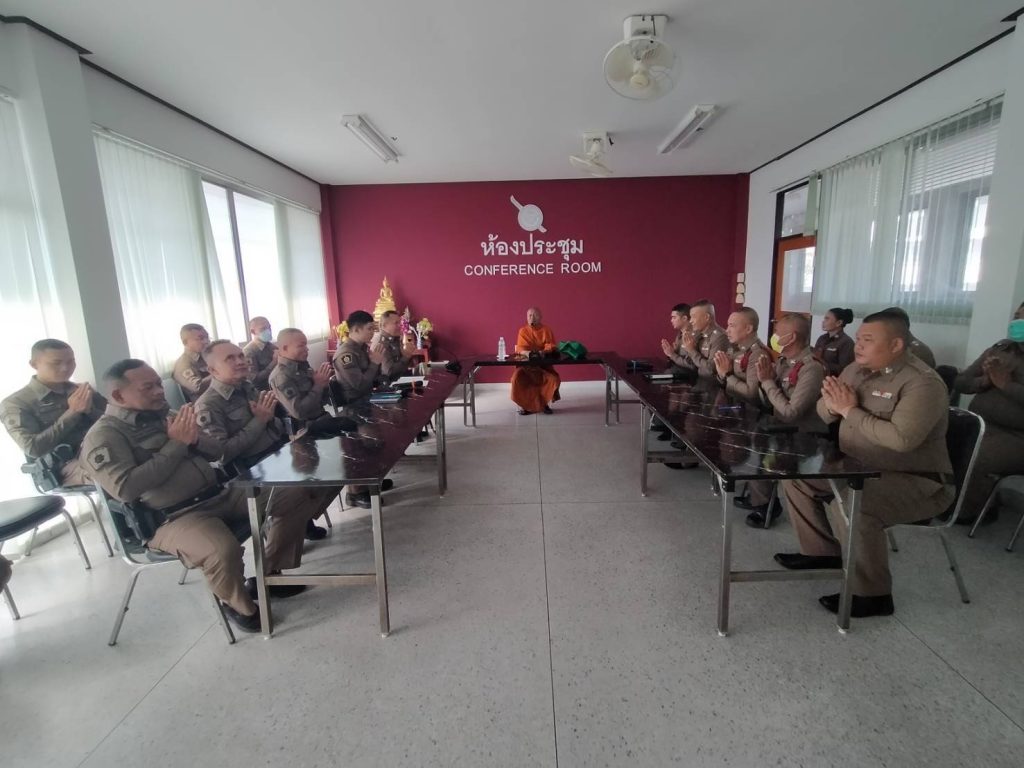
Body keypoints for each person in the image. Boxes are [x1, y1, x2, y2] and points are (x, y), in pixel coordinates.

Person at [82, 359, 288, 633]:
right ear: (119, 396)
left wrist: (194, 439)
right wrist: (176, 444)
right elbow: (126, 489)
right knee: (221, 549)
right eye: (148, 387)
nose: (159, 391)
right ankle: (240, 607)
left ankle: (271, 572)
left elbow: (219, 452)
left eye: (158, 384)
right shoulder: (104, 436)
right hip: (174, 517)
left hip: (219, 496)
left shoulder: (168, 414)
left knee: (294, 493)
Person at [777, 310, 954, 618]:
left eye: (868, 340)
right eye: (858, 338)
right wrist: (834, 407)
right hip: (856, 466)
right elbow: (822, 410)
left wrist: (850, 410)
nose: (858, 345)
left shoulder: (921, 383)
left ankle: (873, 594)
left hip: (917, 480)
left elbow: (901, 440)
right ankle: (822, 553)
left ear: (896, 344)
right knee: (796, 476)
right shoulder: (855, 370)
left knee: (855, 501)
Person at [197, 340, 335, 543]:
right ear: (212, 370)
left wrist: (279, 428)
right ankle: (279, 547)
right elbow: (222, 454)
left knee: (332, 466)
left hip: (277, 452)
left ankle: (300, 519)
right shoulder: (208, 405)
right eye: (230, 359)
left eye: (240, 356)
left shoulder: (247, 388)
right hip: (250, 469)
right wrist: (259, 421)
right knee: (298, 491)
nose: (240, 361)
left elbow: (274, 421)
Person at [737, 314, 826, 527]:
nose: (774, 337)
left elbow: (791, 412)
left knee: (762, 452)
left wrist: (767, 382)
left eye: (778, 333)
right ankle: (759, 497)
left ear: (792, 337)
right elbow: (769, 400)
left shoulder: (811, 368)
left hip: (804, 436)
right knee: (748, 439)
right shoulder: (784, 362)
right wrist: (763, 383)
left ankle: (766, 505)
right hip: (780, 428)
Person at [1, 339, 107, 486]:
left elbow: (116, 422)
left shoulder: (81, 391)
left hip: (103, 451)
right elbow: (33, 448)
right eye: (56, 363)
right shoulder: (16, 403)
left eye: (71, 362)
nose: (65, 368)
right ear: (34, 364)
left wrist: (90, 410)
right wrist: (72, 412)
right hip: (64, 465)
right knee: (111, 474)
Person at [953, 312, 1024, 525]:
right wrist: (984, 381)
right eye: (1018, 316)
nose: (1019, 321)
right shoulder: (1000, 349)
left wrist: (1006, 384)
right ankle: (944, 498)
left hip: (1016, 435)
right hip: (978, 422)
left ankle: (971, 511)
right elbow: (961, 382)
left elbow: (1004, 384)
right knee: (940, 434)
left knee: (978, 454)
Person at [511, 307, 560, 415]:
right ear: (526, 317)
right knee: (516, 378)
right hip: (526, 366)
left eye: (535, 315)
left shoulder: (546, 330)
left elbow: (550, 345)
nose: (532, 318)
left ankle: (544, 404)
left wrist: (544, 352)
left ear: (540, 317)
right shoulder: (523, 331)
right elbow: (521, 349)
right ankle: (525, 406)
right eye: (529, 315)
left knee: (553, 379)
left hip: (543, 366)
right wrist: (529, 353)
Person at [713, 307, 769, 403]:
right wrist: (721, 373)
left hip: (747, 409)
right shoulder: (735, 348)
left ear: (748, 329)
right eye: (728, 325)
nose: (727, 330)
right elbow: (724, 382)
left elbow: (752, 395)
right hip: (730, 401)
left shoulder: (757, 353)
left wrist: (727, 375)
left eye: (732, 326)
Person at [333, 310, 385, 402]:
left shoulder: (362, 348)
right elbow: (361, 385)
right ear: (356, 329)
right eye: (369, 329)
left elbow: (375, 377)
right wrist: (374, 363)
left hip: (369, 396)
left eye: (373, 329)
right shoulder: (346, 354)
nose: (373, 332)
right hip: (356, 403)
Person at [678, 299, 729, 380]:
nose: (690, 321)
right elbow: (690, 363)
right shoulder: (698, 334)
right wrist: (688, 348)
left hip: (712, 384)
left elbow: (711, 369)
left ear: (706, 317)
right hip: (699, 380)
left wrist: (691, 350)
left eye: (693, 317)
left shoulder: (720, 337)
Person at [173, 323, 212, 401]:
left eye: (207, 337)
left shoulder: (208, 356)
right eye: (200, 338)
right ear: (185, 343)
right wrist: (219, 373)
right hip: (206, 403)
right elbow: (197, 387)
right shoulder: (183, 364)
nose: (206, 341)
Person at [813, 307, 855, 377]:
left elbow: (845, 369)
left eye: (827, 319)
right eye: (824, 318)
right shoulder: (822, 338)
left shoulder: (847, 342)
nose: (823, 321)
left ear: (839, 323)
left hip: (833, 380)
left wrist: (821, 364)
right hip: (817, 377)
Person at [377, 310, 418, 382]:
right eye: (396, 323)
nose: (400, 326)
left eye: (400, 322)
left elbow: (404, 366)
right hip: (391, 384)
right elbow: (389, 372)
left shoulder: (395, 339)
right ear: (384, 325)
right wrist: (406, 357)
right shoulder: (382, 343)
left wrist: (408, 355)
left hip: (402, 378)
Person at [660, 303, 697, 376]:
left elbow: (691, 365)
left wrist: (672, 355)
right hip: (677, 372)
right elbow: (677, 360)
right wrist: (671, 353)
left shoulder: (694, 336)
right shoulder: (680, 334)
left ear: (684, 318)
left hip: (688, 378)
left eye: (674, 317)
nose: (671, 320)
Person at [243, 316, 277, 391]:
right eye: (263, 329)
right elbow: (253, 379)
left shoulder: (272, 346)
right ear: (253, 332)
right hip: (263, 391)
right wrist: (274, 362)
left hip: (276, 387)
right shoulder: (249, 351)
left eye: (269, 327)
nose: (268, 331)